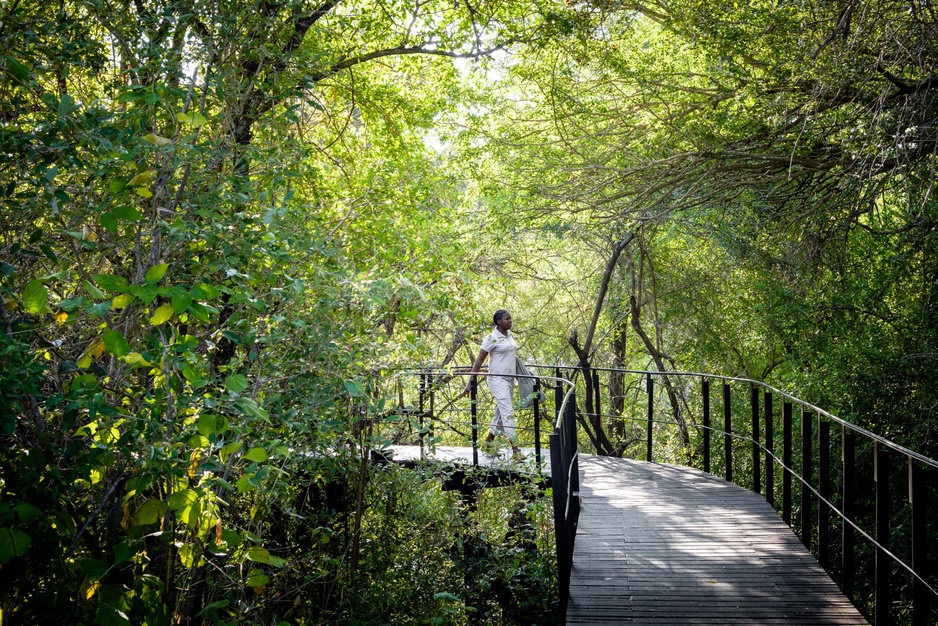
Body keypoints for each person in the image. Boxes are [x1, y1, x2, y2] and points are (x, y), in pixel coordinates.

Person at [463, 309, 521, 457]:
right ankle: (516, 450)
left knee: (500, 414)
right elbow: (479, 361)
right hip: (497, 379)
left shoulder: (510, 336)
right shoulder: (492, 338)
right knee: (507, 412)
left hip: (509, 379)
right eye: (507, 319)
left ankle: (488, 444)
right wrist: (470, 382)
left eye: (510, 318)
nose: (510, 321)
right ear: (498, 322)